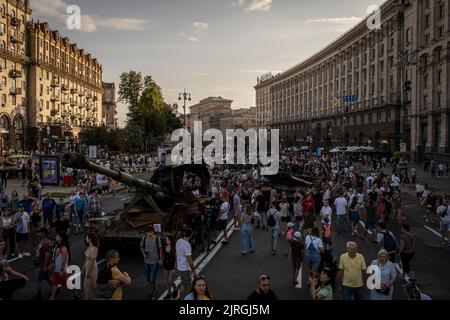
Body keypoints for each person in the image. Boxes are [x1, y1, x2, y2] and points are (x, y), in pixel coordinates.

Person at [140, 224, 163, 299]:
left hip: (154, 262)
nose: (148, 233)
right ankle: (153, 287)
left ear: (153, 232)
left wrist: (160, 259)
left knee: (152, 278)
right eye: (147, 232)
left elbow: (160, 249)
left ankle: (152, 292)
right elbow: (141, 247)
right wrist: (144, 255)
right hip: (146, 261)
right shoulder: (144, 238)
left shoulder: (157, 239)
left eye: (149, 232)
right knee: (148, 278)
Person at [33, 228, 53, 300]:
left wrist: (44, 266)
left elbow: (47, 255)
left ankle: (39, 295)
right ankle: (55, 288)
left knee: (39, 279)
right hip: (40, 262)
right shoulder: (42, 240)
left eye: (39, 232)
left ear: (43, 233)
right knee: (47, 277)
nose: (37, 234)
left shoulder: (46, 243)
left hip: (42, 264)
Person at [176, 228, 196, 299]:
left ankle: (183, 297)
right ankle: (184, 298)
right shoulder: (187, 245)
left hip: (179, 267)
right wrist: (193, 269)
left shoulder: (178, 241)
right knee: (187, 285)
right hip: (184, 268)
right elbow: (189, 259)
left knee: (184, 284)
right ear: (190, 235)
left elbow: (177, 254)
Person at [49, 232, 69, 300]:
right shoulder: (57, 246)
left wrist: (61, 270)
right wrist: (52, 264)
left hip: (61, 269)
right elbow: (55, 258)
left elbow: (63, 261)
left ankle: (74, 291)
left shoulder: (64, 248)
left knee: (66, 282)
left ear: (61, 238)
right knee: (55, 283)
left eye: (57, 236)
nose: (56, 237)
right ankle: (52, 297)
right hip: (57, 269)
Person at [84, 232, 99, 300]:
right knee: (88, 285)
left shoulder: (95, 248)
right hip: (87, 266)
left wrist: (89, 273)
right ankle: (89, 297)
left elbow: (92, 263)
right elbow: (87, 259)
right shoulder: (89, 247)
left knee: (90, 285)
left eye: (86, 237)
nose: (85, 239)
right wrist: (84, 267)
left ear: (90, 239)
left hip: (92, 269)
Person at [162, 233, 177, 300]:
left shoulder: (174, 248)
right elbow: (163, 256)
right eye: (166, 240)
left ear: (171, 240)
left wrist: (175, 268)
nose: (167, 241)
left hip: (172, 267)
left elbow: (176, 259)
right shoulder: (164, 246)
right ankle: (169, 293)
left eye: (168, 240)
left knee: (170, 280)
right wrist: (161, 260)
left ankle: (175, 289)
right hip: (165, 266)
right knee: (166, 281)